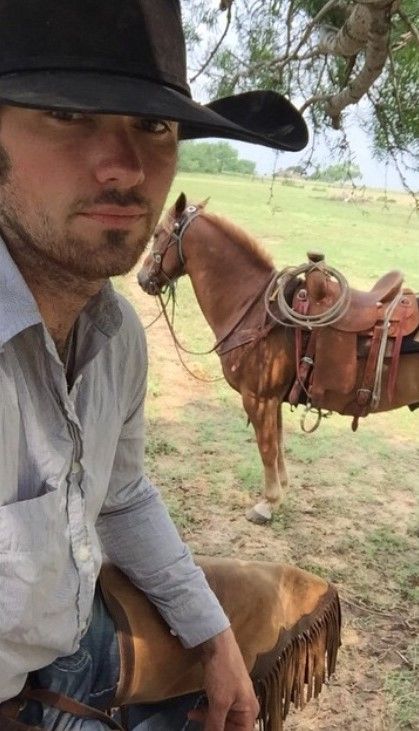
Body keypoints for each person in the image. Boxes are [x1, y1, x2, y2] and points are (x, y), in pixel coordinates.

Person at [0, 1, 307, 728]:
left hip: (67, 651)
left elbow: (122, 493)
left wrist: (213, 634)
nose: (128, 165)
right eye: (68, 116)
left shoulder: (115, 336)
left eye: (154, 126)